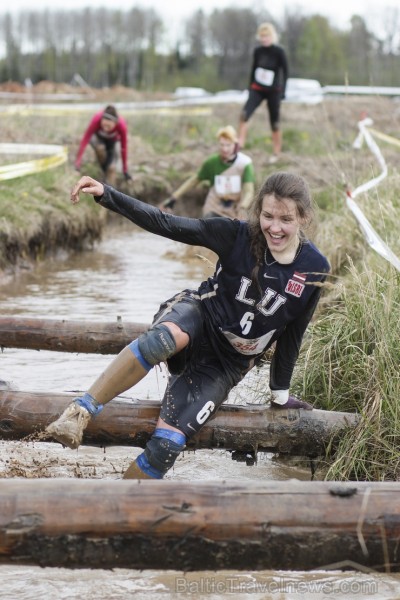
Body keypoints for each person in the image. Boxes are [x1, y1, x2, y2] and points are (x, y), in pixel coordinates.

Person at [46, 171, 330, 480]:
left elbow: (293, 332)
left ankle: (112, 511)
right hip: (198, 319)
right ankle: (80, 411)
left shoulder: (316, 267)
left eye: (285, 219)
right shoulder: (235, 234)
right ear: (258, 212)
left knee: (166, 448)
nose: (274, 228)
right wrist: (107, 194)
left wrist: (280, 394)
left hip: (225, 365)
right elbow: (167, 223)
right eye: (267, 216)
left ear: (303, 217)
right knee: (160, 341)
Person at [162, 126, 255, 220]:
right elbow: (194, 181)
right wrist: (174, 197)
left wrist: (243, 207)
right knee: (208, 224)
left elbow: (249, 190)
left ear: (235, 144)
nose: (225, 149)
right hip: (214, 207)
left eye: (228, 145)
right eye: (222, 145)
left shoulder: (245, 163)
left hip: (235, 209)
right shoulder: (211, 162)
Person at [238, 22, 288, 164]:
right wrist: (250, 87)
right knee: (244, 114)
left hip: (274, 91)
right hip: (257, 89)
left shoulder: (279, 52)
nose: (264, 39)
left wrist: (284, 91)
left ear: (272, 36)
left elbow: (285, 72)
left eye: (266, 36)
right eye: (262, 36)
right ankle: (239, 144)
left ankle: (276, 152)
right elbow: (254, 69)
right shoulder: (258, 51)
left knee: (275, 122)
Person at [74, 105, 131, 186]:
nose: (106, 129)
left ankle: (110, 188)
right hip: (99, 138)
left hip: (113, 141)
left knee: (111, 168)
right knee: (100, 149)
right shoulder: (96, 119)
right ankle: (102, 174)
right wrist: (78, 162)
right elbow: (85, 139)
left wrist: (125, 170)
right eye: (104, 125)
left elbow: (124, 147)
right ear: (101, 120)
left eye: (109, 126)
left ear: (115, 123)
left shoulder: (122, 125)